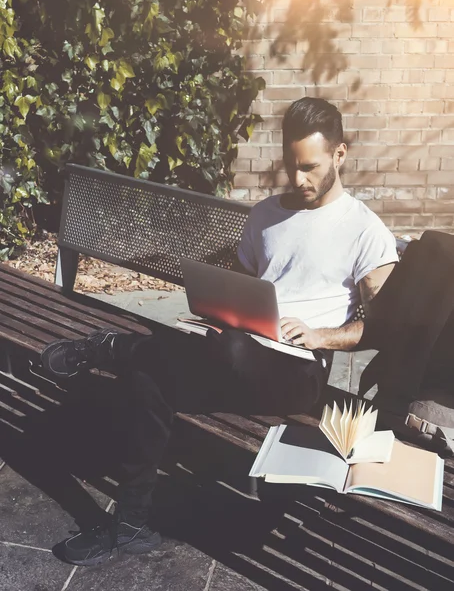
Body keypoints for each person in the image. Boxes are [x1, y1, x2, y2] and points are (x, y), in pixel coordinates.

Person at [40, 97, 398, 566]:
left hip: (297, 375)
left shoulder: (365, 232)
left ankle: (114, 346)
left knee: (218, 350)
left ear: (340, 155)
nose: (298, 179)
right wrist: (218, 313)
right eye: (290, 166)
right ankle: (130, 524)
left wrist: (320, 335)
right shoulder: (266, 215)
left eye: (309, 167)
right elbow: (242, 290)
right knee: (150, 381)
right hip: (235, 352)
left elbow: (381, 328)